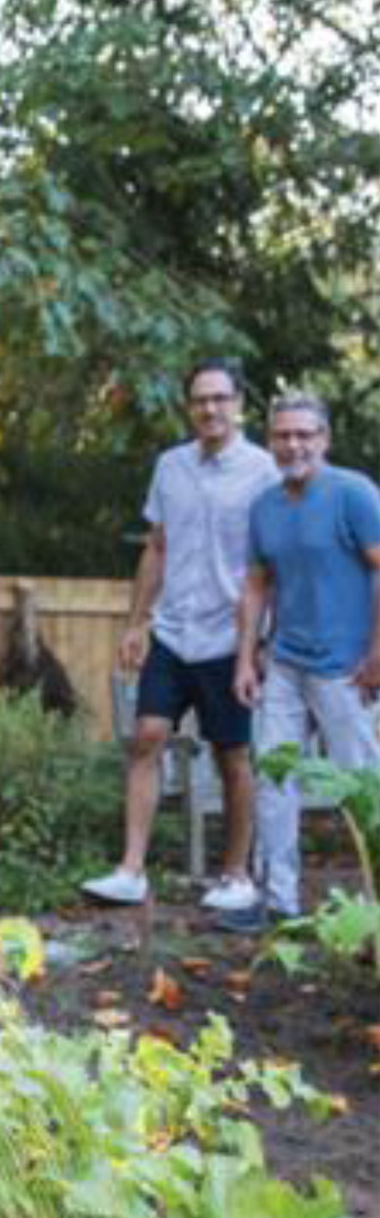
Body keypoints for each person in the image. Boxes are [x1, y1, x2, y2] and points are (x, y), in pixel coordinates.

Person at [81, 358, 276, 908]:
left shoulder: (263, 472)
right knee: (145, 736)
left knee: (232, 755)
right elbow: (157, 547)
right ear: (189, 407)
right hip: (173, 631)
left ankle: (235, 877)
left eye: (220, 398)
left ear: (239, 404)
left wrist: (261, 640)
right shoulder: (170, 466)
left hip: (228, 639)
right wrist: (137, 622)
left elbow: (273, 567)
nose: (210, 409)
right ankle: (131, 870)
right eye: (199, 400)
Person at [226, 393, 380, 931]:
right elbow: (256, 587)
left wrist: (377, 654)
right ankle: (280, 901)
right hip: (285, 663)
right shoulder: (265, 507)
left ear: (324, 439)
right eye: (283, 435)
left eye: (304, 435)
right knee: (274, 776)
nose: (293, 445)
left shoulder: (354, 494)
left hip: (346, 669)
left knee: (362, 787)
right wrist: (246, 660)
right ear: (270, 442)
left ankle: (375, 907)